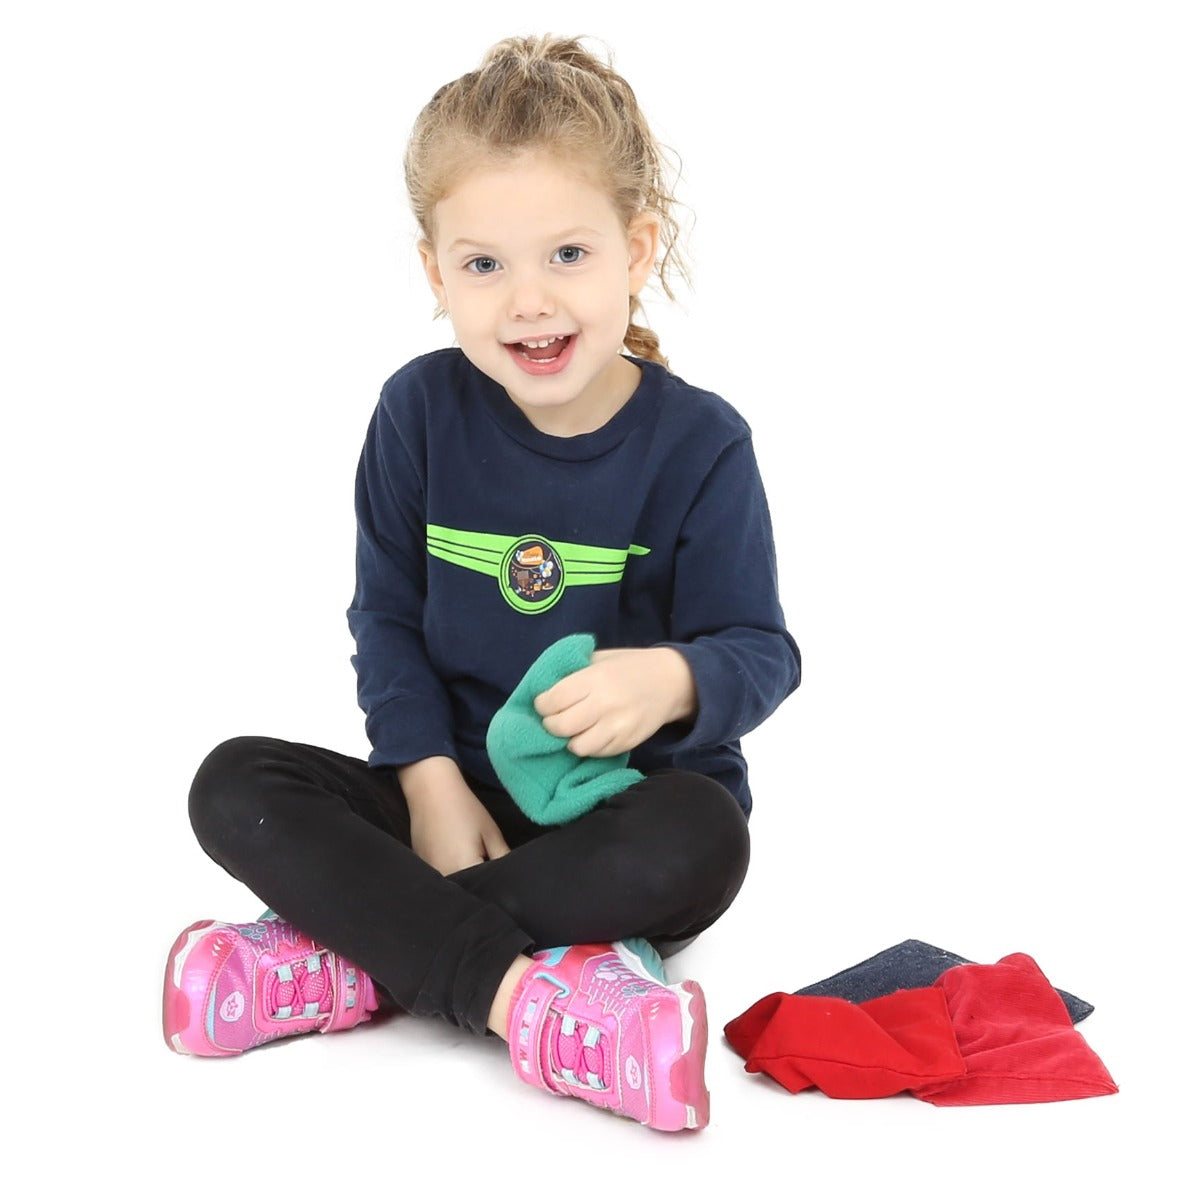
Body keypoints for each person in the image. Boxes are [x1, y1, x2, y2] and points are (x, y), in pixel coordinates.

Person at [163, 34, 800, 1134]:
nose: (528, 302)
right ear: (434, 273)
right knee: (235, 783)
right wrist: (427, 785)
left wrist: (669, 679)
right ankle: (528, 1001)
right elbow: (386, 618)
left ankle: (356, 956)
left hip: (614, 824)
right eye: (484, 265)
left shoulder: (701, 445)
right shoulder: (418, 412)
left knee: (705, 835)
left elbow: (760, 649)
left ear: (637, 249)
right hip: (442, 806)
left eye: (568, 254)